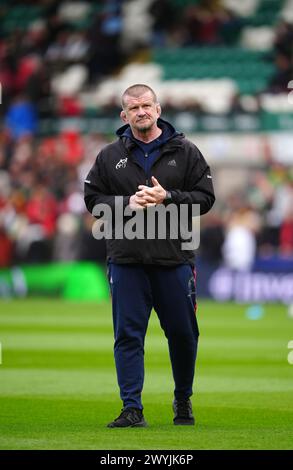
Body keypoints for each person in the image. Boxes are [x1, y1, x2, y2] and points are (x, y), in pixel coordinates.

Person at [84, 84, 215, 428]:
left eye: (146, 105)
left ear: (158, 109)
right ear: (123, 115)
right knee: (128, 336)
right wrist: (125, 203)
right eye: (133, 107)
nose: (141, 112)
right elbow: (92, 201)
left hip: (175, 261)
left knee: (184, 335)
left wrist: (168, 197)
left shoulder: (186, 152)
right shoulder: (109, 156)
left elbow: (206, 198)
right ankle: (132, 408)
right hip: (126, 260)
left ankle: (183, 399)